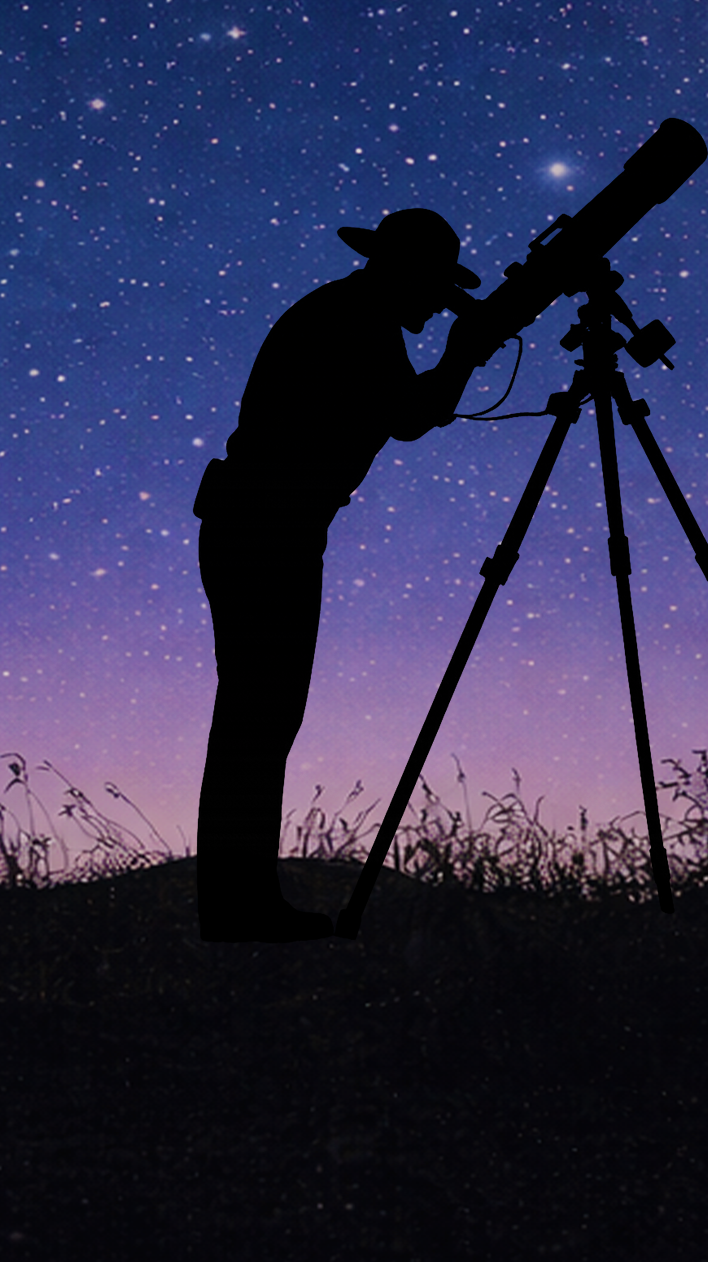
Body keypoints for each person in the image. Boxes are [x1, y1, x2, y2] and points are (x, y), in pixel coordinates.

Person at [188, 208, 485, 942]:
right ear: (405, 275)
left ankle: (238, 902)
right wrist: (461, 355)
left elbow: (404, 410)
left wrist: (456, 357)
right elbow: (412, 414)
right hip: (268, 528)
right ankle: (237, 907)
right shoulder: (354, 321)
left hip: (264, 524)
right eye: (433, 289)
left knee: (257, 715)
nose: (433, 305)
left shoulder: (346, 313)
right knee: (258, 715)